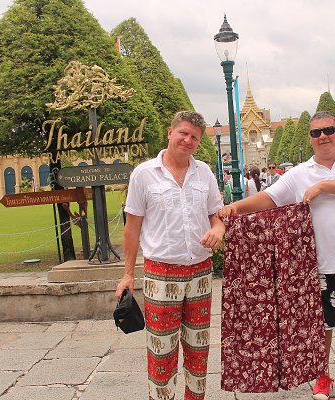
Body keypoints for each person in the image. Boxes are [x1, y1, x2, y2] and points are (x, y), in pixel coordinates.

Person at [219, 111, 335, 400]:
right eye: (316, 132)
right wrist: (235, 208)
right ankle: (322, 375)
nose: (323, 136)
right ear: (310, 138)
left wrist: (323, 186)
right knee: (322, 324)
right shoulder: (300, 172)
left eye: (329, 130)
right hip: (322, 263)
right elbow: (269, 198)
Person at [115, 111, 225, 400]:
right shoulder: (144, 174)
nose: (188, 140)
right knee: (161, 349)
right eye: (183, 133)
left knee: (199, 347)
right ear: (170, 133)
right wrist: (128, 274)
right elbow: (132, 228)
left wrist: (218, 228)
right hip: (161, 273)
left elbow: (216, 215)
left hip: (200, 271)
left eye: (194, 137)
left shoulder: (204, 173)